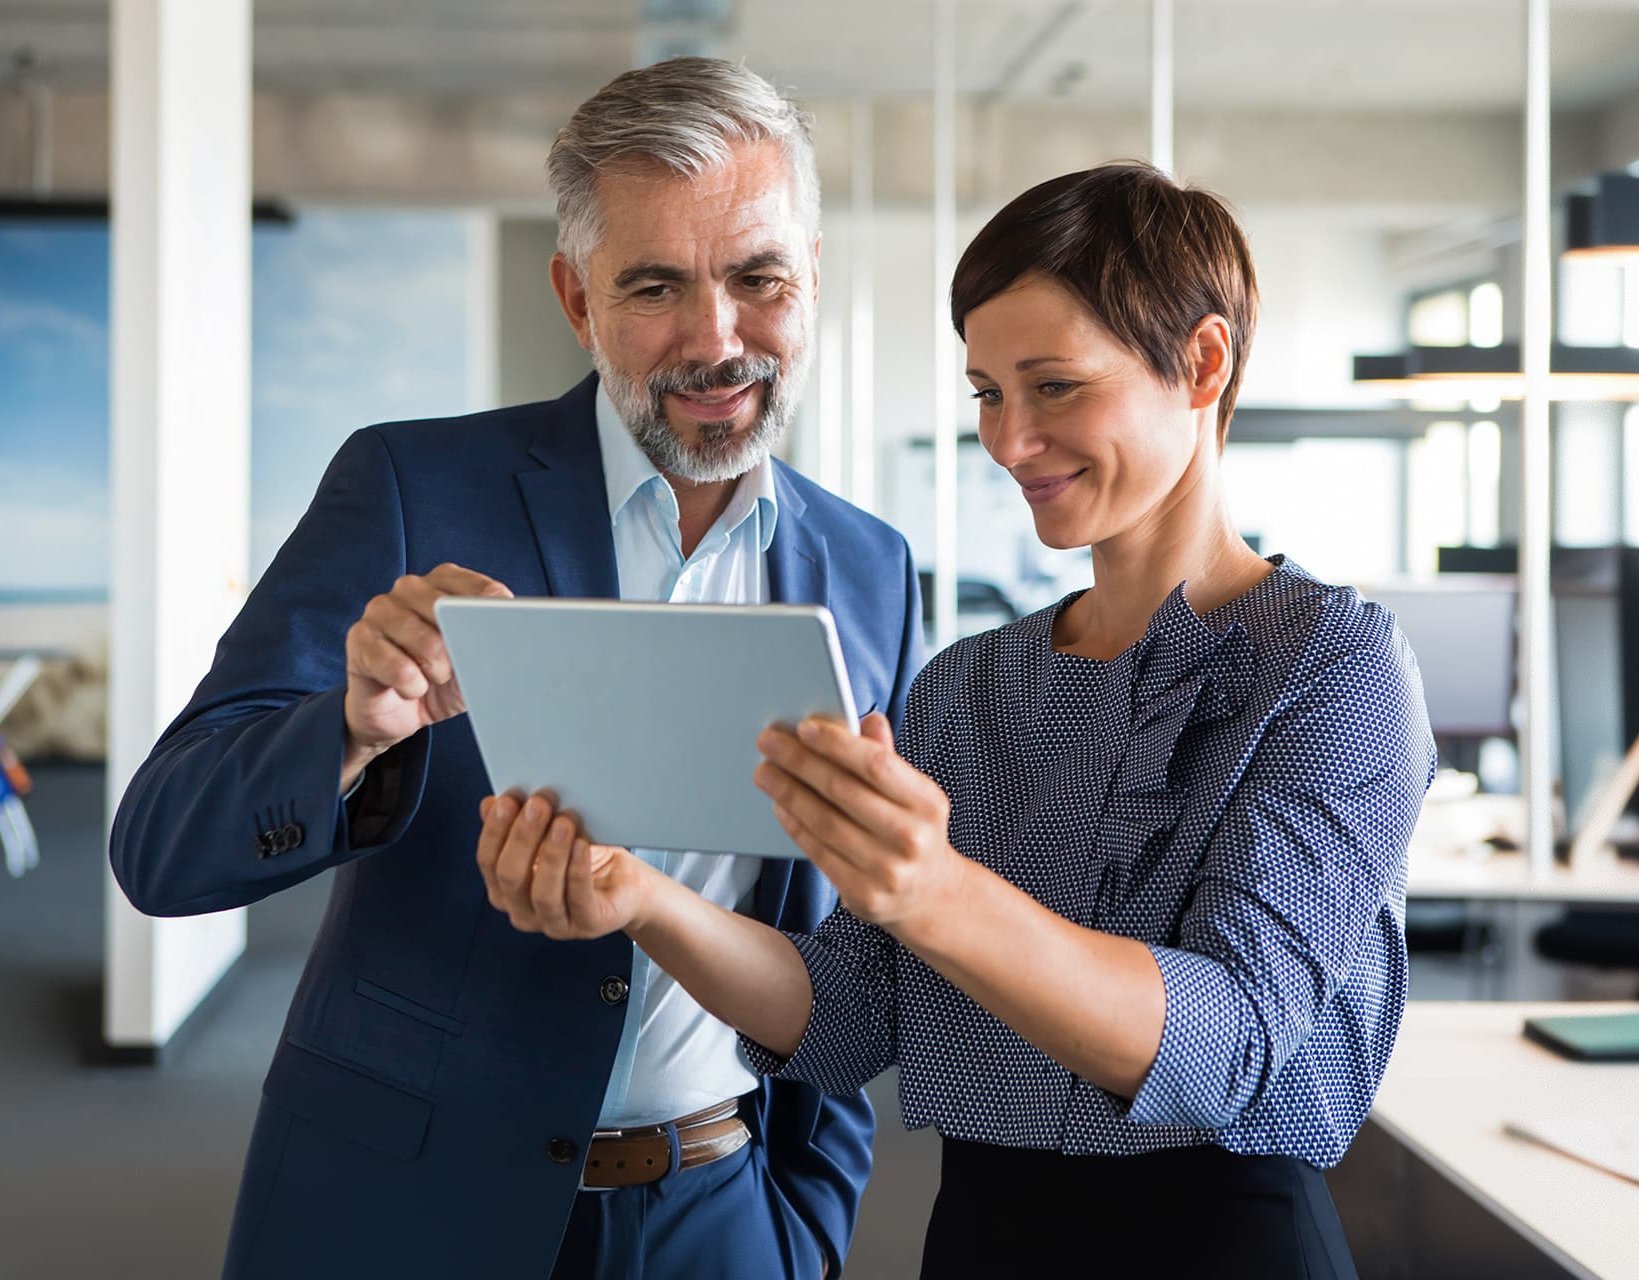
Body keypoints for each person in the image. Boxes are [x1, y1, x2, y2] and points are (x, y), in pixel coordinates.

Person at [481, 161, 1436, 1278]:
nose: (1009, 440)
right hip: (984, 1235)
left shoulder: (1330, 664)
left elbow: (1228, 1043)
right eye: (986, 393)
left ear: (1203, 362)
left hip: (1219, 1238)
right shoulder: (970, 682)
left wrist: (934, 890)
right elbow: (844, 1016)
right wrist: (640, 896)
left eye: (1054, 387)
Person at [109, 57, 922, 1280]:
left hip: (722, 1212)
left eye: (757, 278)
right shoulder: (407, 488)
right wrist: (352, 728)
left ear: (808, 272)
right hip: (406, 1207)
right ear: (576, 296)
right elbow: (160, 846)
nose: (716, 338)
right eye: (654, 285)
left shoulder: (869, 565)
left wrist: (802, 1228)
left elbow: (853, 946)